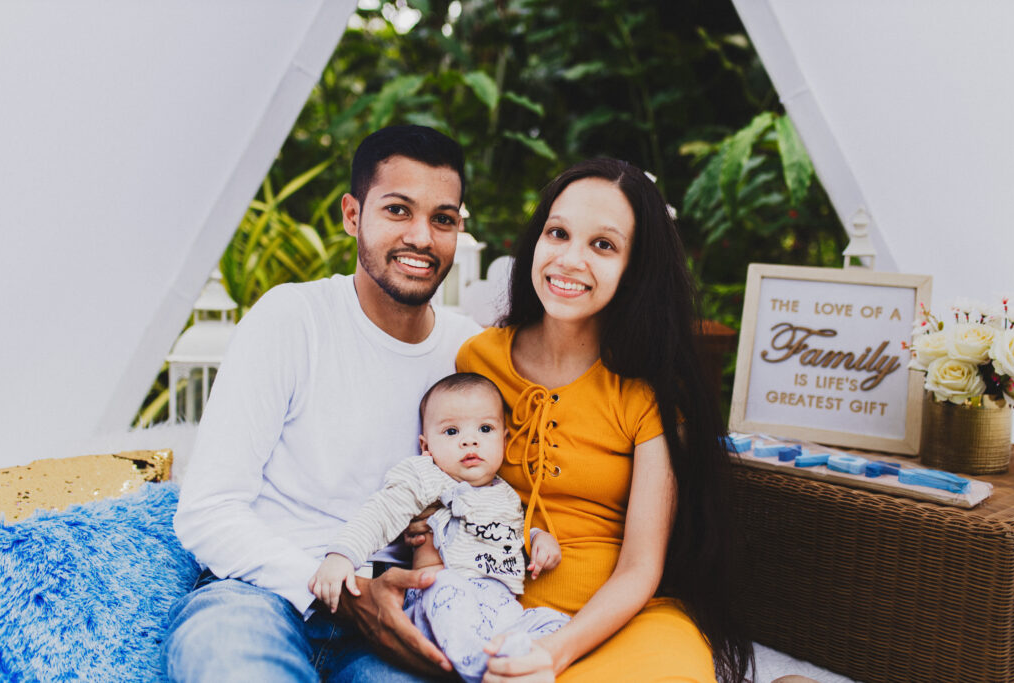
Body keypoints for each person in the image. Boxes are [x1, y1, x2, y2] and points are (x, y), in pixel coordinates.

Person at [164, 125, 482, 682]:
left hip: (399, 611)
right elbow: (208, 508)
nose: (423, 238)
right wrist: (337, 587)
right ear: (352, 215)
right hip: (260, 593)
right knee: (224, 660)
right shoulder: (293, 319)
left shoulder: (467, 350)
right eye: (399, 210)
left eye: (443, 219)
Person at [456, 158, 754, 681]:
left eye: (603, 245)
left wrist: (554, 653)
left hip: (620, 621)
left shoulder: (651, 390)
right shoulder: (476, 360)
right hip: (488, 611)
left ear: (636, 268)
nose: (570, 260)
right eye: (558, 233)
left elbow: (641, 568)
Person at [310, 372, 570, 683]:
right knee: (446, 586)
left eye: (485, 429)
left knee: (557, 624)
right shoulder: (427, 477)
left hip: (499, 605)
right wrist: (342, 556)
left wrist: (539, 540)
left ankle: (508, 658)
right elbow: (382, 513)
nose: (469, 440)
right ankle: (482, 671)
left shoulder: (505, 493)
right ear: (426, 445)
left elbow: (512, 531)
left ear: (504, 439)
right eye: (451, 431)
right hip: (437, 598)